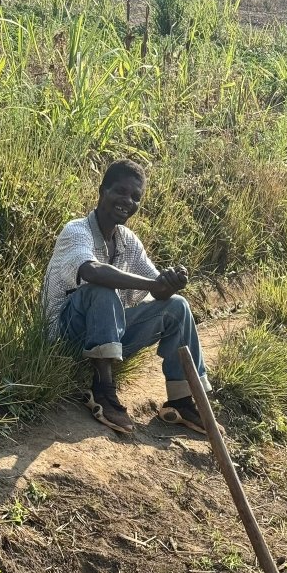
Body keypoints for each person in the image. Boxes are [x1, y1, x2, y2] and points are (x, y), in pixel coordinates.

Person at [42, 159, 213, 435]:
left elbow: (157, 289)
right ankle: (103, 391)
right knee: (101, 288)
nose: (127, 201)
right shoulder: (76, 230)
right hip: (64, 338)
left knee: (177, 307)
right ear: (102, 191)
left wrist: (171, 281)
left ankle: (182, 400)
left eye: (135, 197)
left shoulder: (127, 240)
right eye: (120, 192)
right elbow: (93, 271)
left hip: (106, 336)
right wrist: (153, 282)